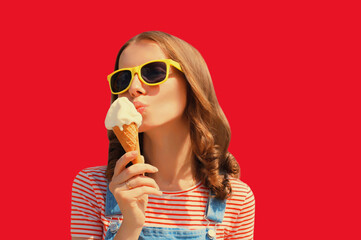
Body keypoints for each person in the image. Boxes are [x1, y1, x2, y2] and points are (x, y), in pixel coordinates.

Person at [71, 31, 255, 240]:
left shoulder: (236, 198)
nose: (133, 89)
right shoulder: (92, 186)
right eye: (123, 78)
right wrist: (130, 225)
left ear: (191, 82)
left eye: (153, 72)